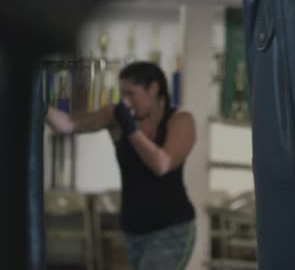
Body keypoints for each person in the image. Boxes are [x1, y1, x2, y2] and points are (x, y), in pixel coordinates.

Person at [46, 61, 196, 270]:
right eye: (122, 94)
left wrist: (131, 129)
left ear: (153, 88)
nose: (125, 101)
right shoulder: (115, 116)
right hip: (133, 230)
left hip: (172, 227)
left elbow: (161, 164)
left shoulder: (180, 120)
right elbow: (67, 124)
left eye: (131, 93)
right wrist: (38, 103)